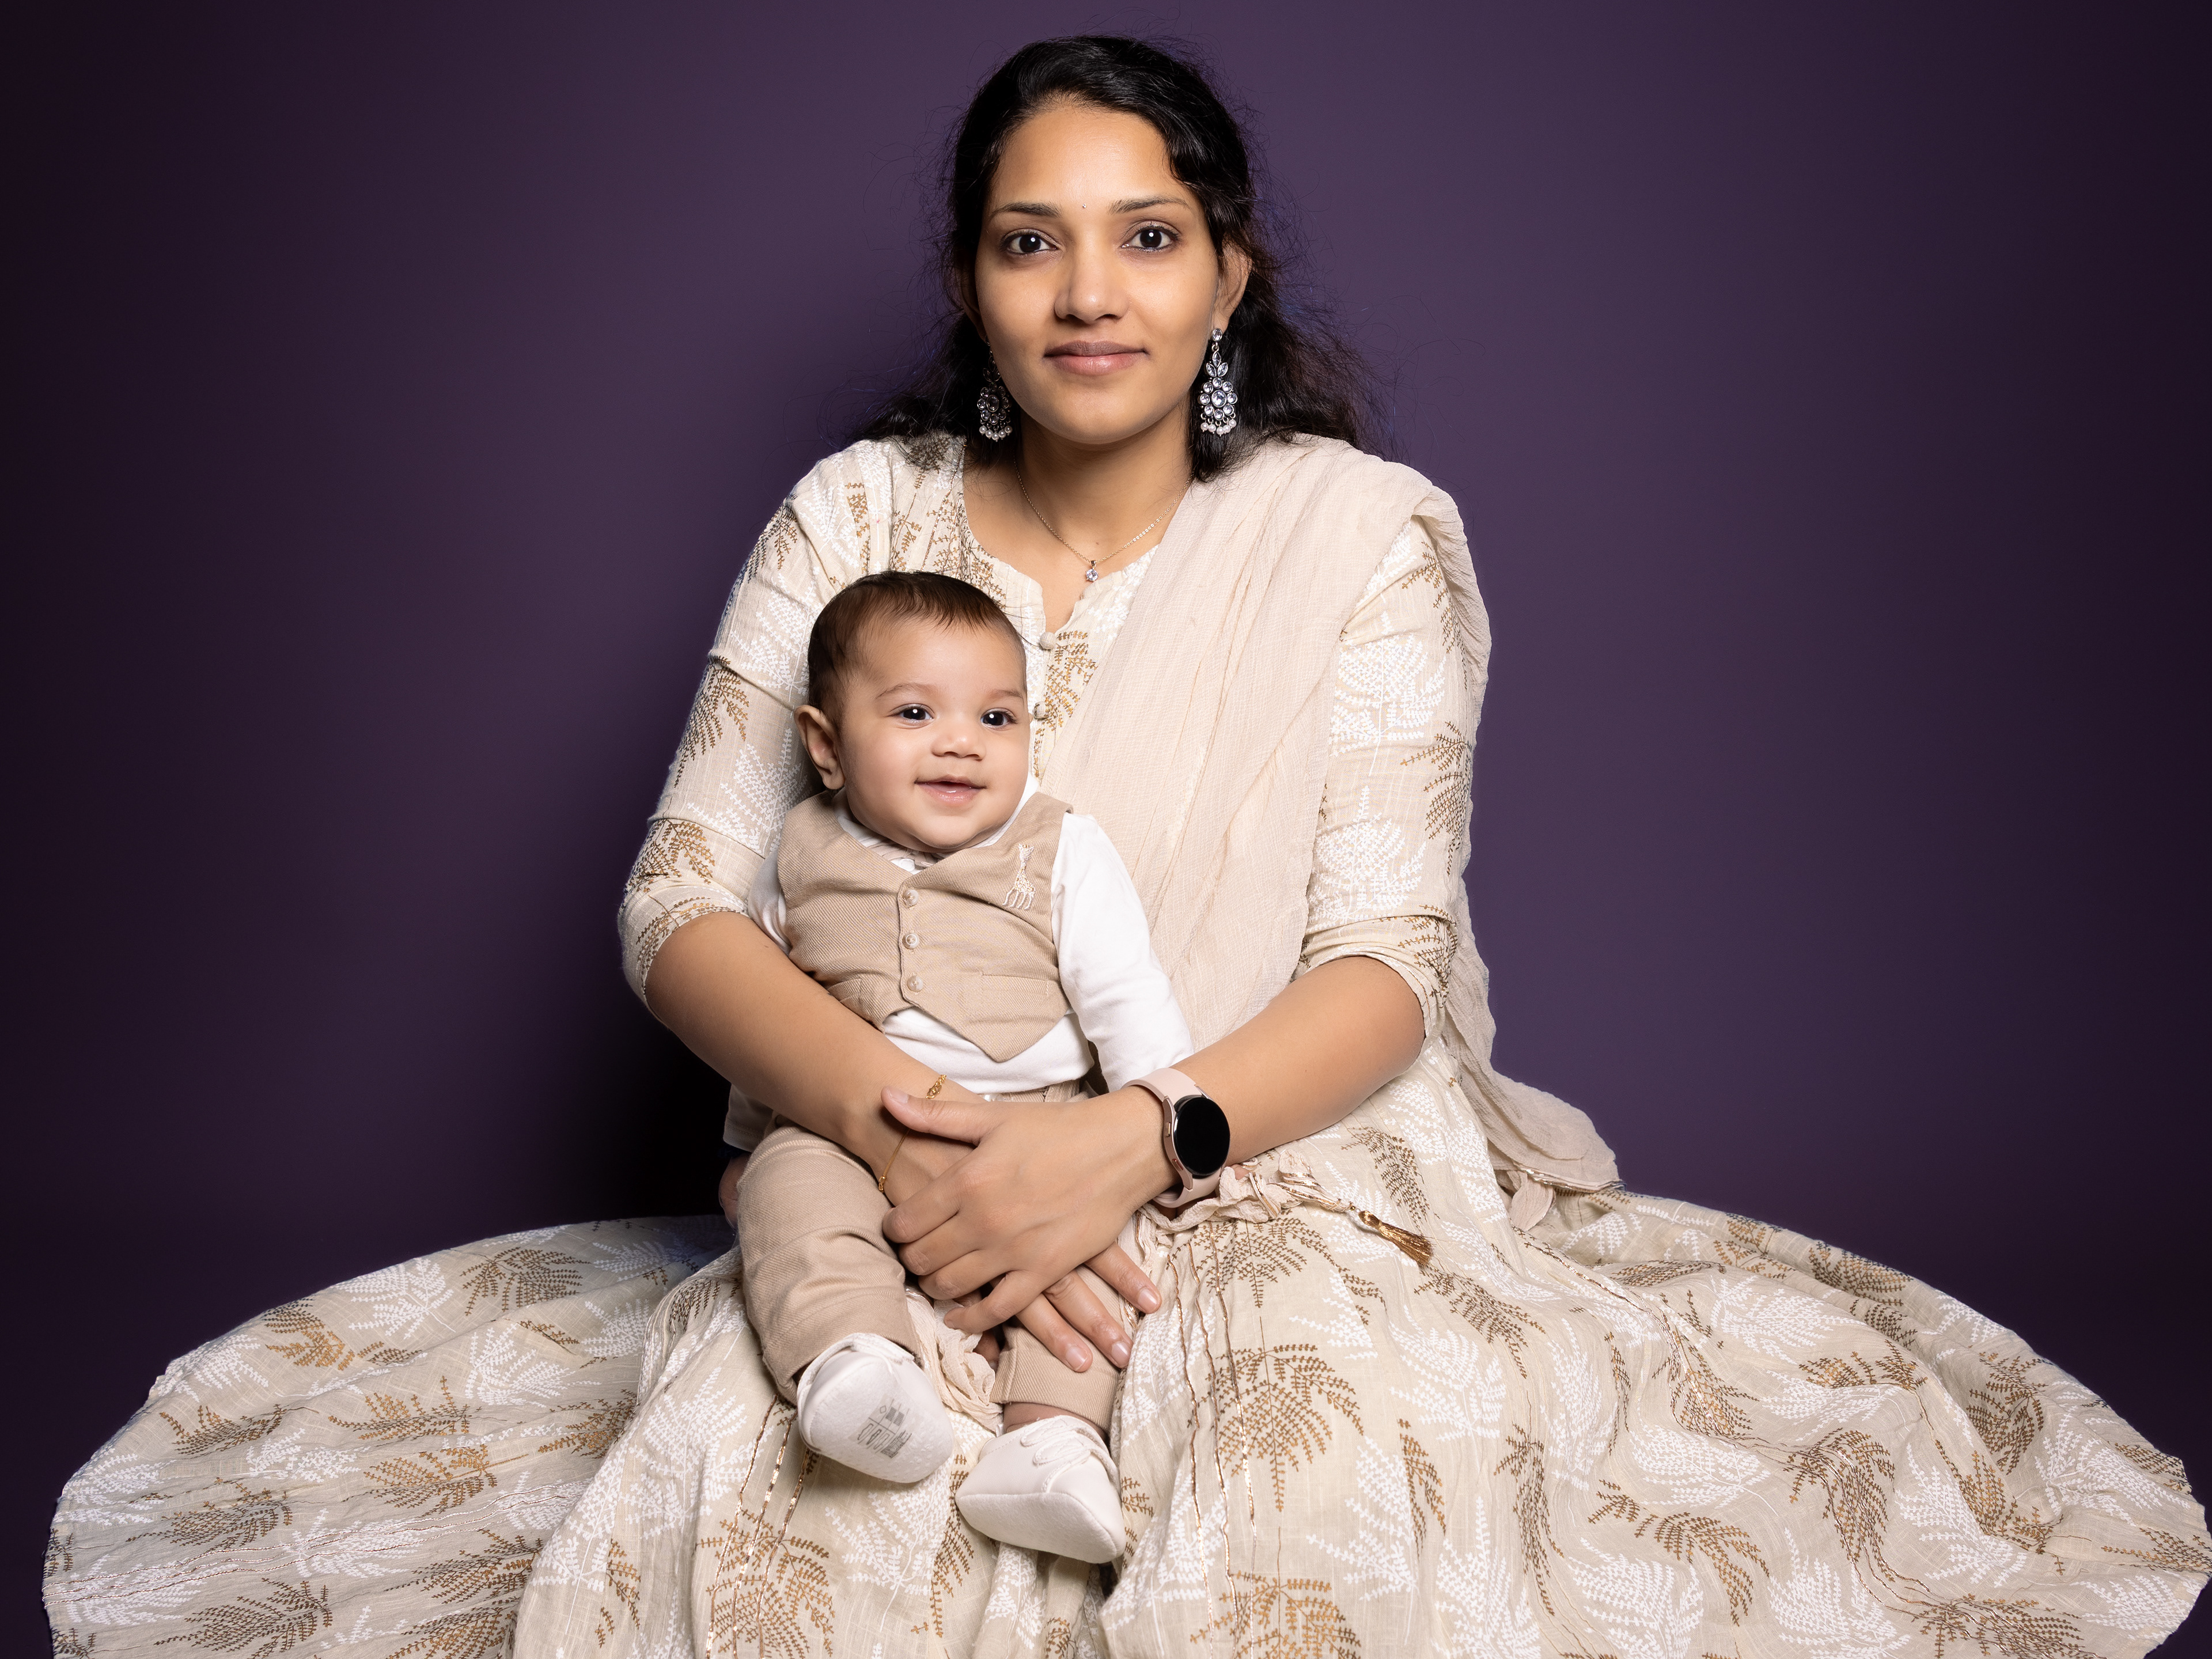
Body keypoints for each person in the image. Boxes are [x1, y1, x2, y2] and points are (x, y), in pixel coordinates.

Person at [44, 33, 2205, 1659]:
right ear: (974, 283)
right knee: (789, 1496)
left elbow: (1377, 967)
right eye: (1031, 239)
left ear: (1228, 276)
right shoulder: (855, 517)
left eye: (1148, 236)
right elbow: (679, 904)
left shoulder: (1365, 535)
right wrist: (914, 1138)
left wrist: (1129, 1143)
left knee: (1290, 1484)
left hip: (1272, 1151)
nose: (1092, 291)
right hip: (891, 1154)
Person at [733, 568, 1196, 1563]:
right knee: (789, 1191)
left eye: (997, 717)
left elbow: (1127, 996)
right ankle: (856, 1364)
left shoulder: (1062, 847)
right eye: (914, 713)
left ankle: (1051, 1442)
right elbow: (767, 1011)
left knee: (1099, 1253)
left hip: (1040, 1119)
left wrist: (1161, 1126)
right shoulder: (798, 855)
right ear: (826, 747)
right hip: (851, 1131)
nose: (961, 742)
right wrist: (745, 1146)